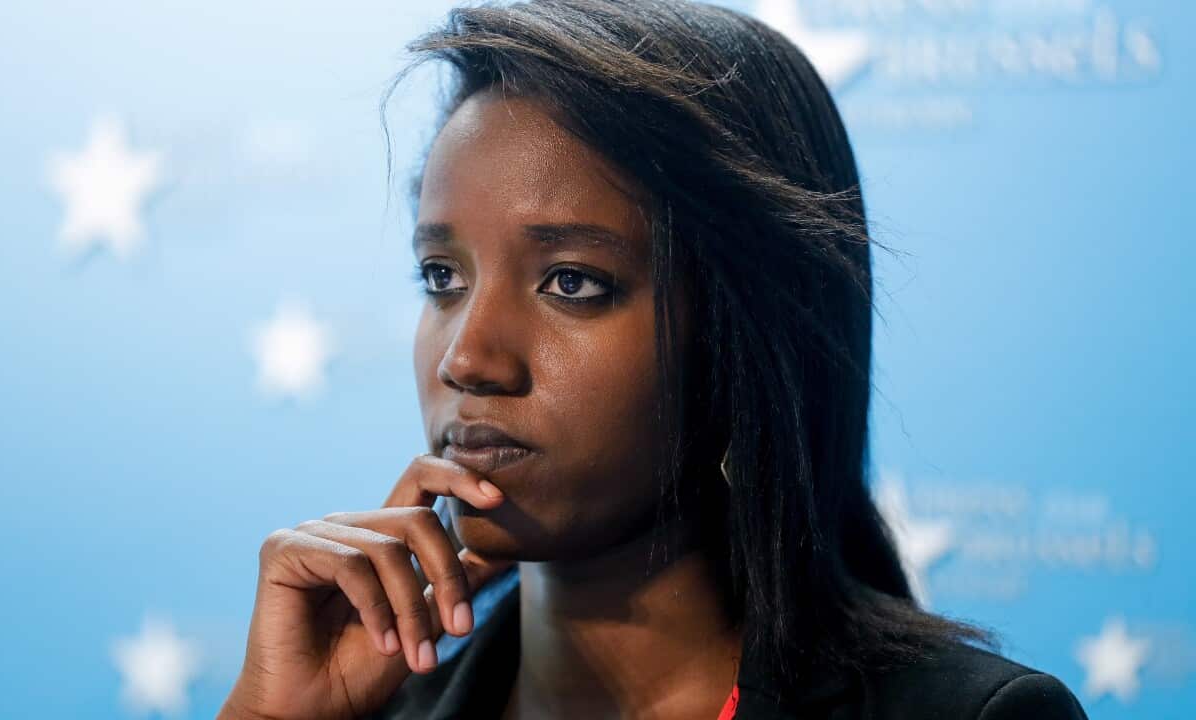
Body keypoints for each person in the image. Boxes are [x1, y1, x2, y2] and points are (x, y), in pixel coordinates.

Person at [218, 1, 1090, 718]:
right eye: (442, 276)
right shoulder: (372, 710)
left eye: (571, 282)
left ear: (743, 337)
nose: (469, 357)